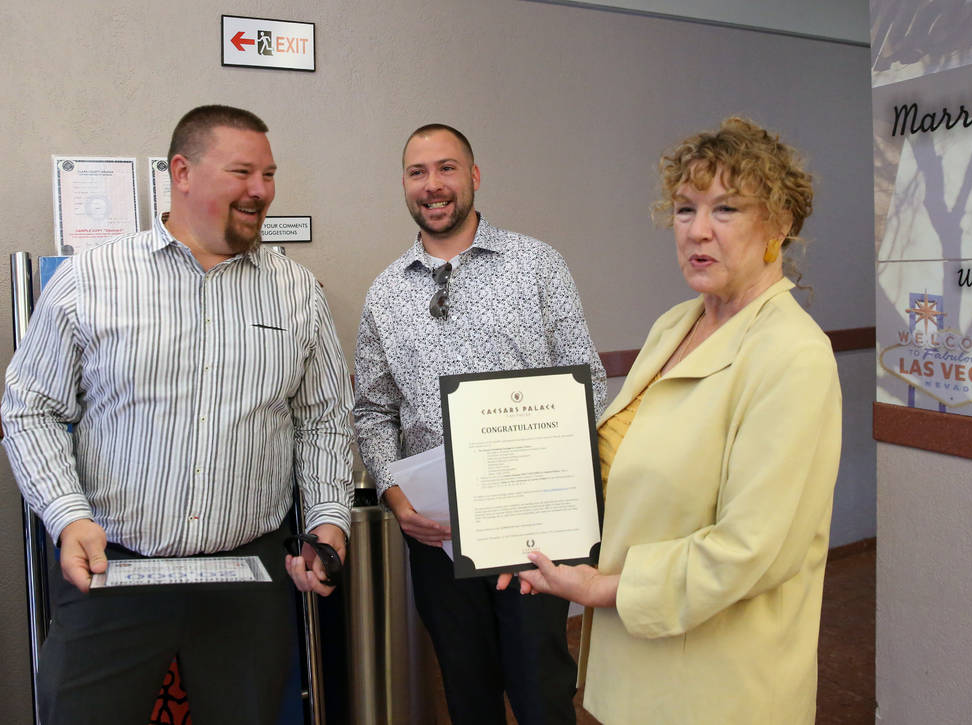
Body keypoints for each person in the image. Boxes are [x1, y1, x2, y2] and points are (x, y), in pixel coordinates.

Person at [2, 105, 354, 724]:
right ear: (182, 172)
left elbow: (323, 419)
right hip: (112, 570)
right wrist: (66, 515)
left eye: (268, 174)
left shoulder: (297, 291)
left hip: (246, 577)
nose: (260, 191)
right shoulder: (92, 278)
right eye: (242, 172)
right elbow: (29, 408)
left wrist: (327, 521)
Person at [500, 117, 843, 724]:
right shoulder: (676, 324)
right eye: (685, 210)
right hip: (637, 669)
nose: (698, 231)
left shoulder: (793, 354)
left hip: (717, 688)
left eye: (727, 209)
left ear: (780, 224)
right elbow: (626, 472)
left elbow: (750, 550)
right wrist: (531, 534)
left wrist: (602, 590)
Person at [353, 123, 607, 725]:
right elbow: (371, 411)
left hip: (535, 526)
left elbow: (588, 383)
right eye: (418, 172)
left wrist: (556, 490)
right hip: (437, 532)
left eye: (447, 168)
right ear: (405, 185)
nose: (433, 185)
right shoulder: (387, 291)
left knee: (541, 685)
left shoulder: (536, 264)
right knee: (467, 690)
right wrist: (394, 497)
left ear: (474, 176)